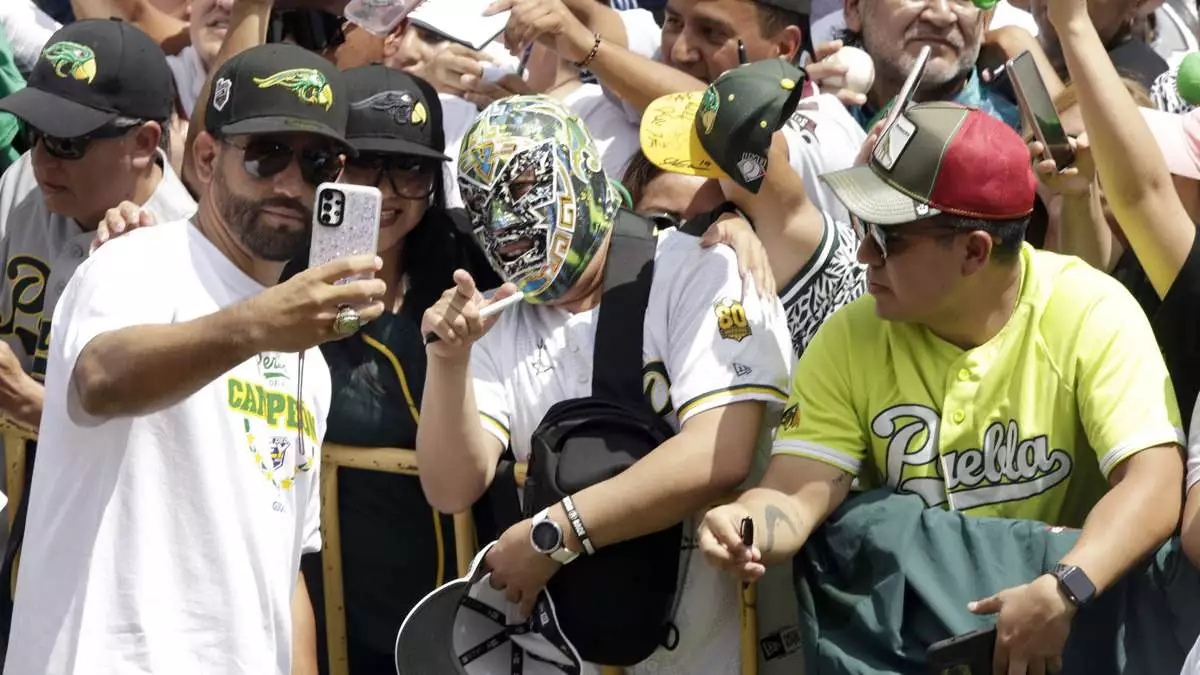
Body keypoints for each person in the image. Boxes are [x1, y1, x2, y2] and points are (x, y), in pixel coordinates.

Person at [699, 101, 1184, 674]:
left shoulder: (1089, 309)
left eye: (888, 238)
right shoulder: (852, 335)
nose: (863, 254)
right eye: (863, 229)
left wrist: (1064, 587)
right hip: (923, 642)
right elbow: (795, 493)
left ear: (975, 250)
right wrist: (748, 524)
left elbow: (1154, 483)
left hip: (1068, 633)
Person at [3, 43, 377, 675]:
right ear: (207, 157)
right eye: (265, 155)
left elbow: (283, 567)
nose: (291, 184)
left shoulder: (306, 354)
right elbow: (100, 380)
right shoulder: (133, 260)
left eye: (316, 163)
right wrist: (258, 326)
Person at [417, 94, 792, 673]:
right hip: (570, 648)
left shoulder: (699, 268)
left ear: (582, 172)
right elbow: (449, 488)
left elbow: (719, 453)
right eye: (479, 199)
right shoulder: (493, 322)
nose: (502, 218)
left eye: (520, 187)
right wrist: (448, 361)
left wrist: (553, 534)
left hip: (719, 643)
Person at [292, 64, 500, 674]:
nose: (384, 190)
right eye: (360, 163)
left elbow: (588, 245)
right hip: (308, 597)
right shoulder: (274, 260)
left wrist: (726, 223)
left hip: (433, 609)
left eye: (408, 168)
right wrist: (127, 223)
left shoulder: (468, 259)